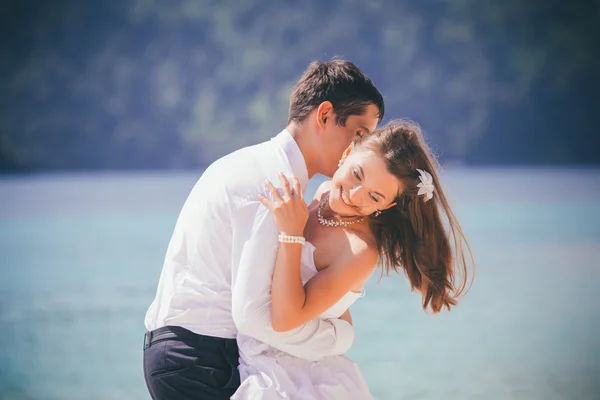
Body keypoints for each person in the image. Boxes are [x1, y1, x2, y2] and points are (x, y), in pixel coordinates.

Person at [142, 59, 385, 400]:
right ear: (325, 115)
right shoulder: (276, 184)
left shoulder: (256, 163)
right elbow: (254, 317)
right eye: (359, 133)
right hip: (202, 357)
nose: (359, 150)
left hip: (186, 351)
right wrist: (339, 338)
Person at [232, 120, 474, 399]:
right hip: (270, 344)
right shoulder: (324, 194)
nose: (353, 195)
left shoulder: (360, 251)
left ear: (387, 206)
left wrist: (291, 234)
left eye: (374, 196)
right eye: (357, 174)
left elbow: (286, 319)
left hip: (290, 374)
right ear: (346, 155)